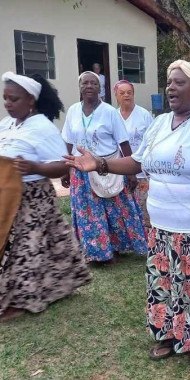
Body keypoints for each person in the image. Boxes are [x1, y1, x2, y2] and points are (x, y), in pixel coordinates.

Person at [65, 60, 190, 368]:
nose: (170, 87)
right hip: (162, 223)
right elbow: (137, 162)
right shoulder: (160, 123)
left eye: (179, 82)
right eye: (169, 82)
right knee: (167, 283)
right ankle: (168, 332)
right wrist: (100, 163)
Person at [0, 72, 91, 321]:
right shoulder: (6, 125)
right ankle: (61, 283)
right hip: (7, 197)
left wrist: (35, 167)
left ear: (30, 100)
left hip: (33, 197)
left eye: (14, 99)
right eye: (5, 98)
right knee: (47, 244)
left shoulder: (42, 127)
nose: (8, 103)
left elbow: (62, 166)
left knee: (26, 247)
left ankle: (21, 300)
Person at [61, 71, 147, 263]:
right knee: (88, 213)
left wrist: (131, 172)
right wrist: (66, 168)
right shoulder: (73, 110)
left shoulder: (109, 112)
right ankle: (97, 253)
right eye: (85, 83)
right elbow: (68, 141)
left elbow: (124, 143)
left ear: (100, 88)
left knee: (115, 211)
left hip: (108, 167)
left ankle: (117, 247)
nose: (89, 86)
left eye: (94, 83)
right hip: (80, 170)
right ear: (80, 87)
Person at [114, 80, 154, 233]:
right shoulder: (113, 115)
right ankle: (129, 236)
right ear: (116, 96)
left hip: (141, 169)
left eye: (129, 92)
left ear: (133, 94)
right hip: (119, 169)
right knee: (124, 205)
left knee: (144, 204)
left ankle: (148, 237)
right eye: (122, 93)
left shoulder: (144, 115)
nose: (126, 96)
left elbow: (152, 140)